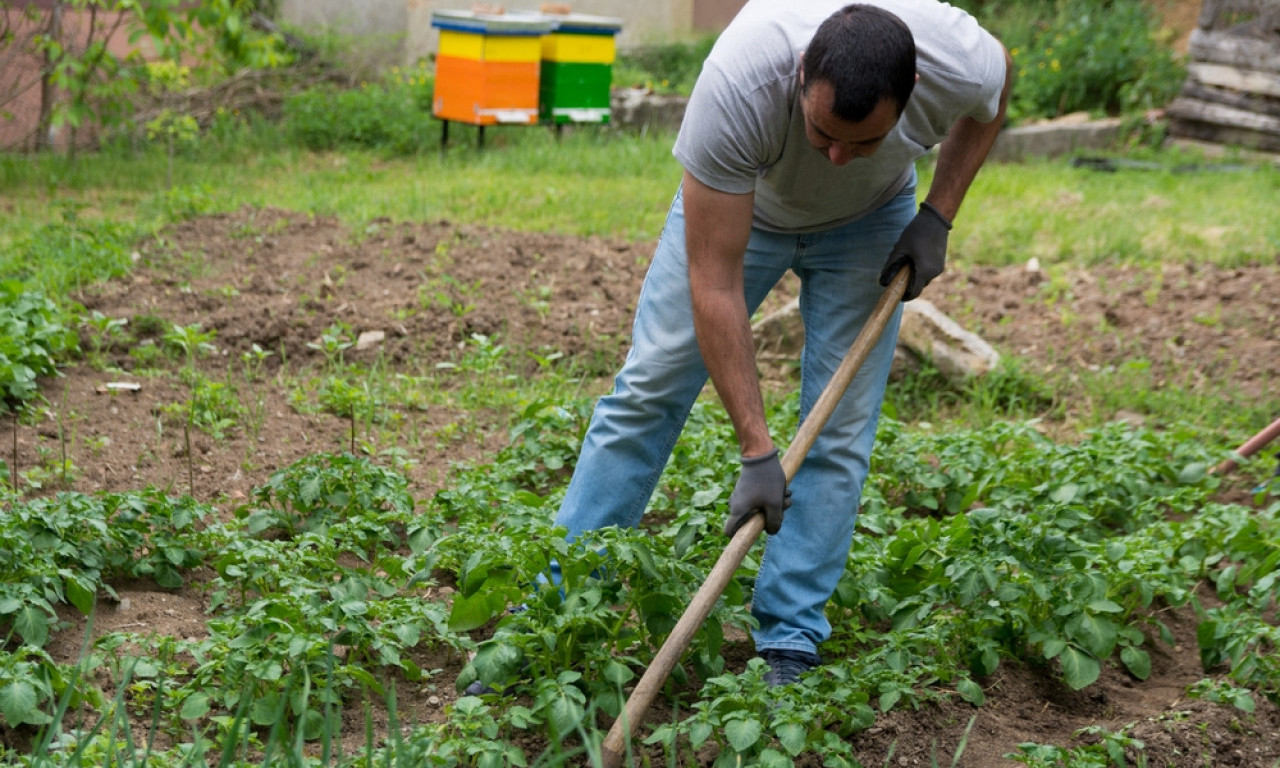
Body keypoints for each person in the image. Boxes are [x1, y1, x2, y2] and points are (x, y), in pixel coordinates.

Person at [473, 0, 1012, 693]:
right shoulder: (740, 80)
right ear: (798, 76)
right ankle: (555, 612)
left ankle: (790, 637)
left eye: (864, 140)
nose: (839, 156)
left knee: (838, 429)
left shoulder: (956, 59)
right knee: (649, 390)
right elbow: (715, 281)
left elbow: (995, 94)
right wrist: (757, 450)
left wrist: (938, 213)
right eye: (822, 132)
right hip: (744, 207)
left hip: (872, 220)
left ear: (912, 99)